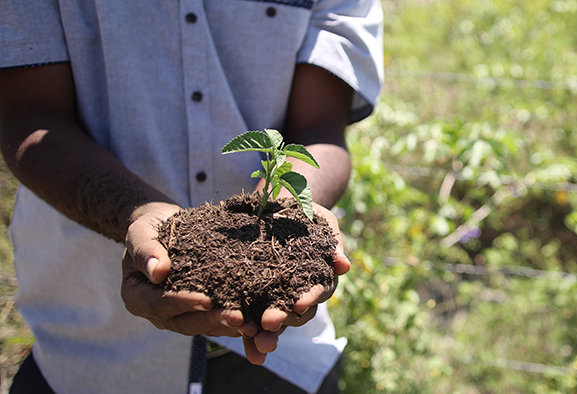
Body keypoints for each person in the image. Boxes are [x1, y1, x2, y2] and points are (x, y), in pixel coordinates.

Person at [0, 0, 383, 393]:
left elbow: (320, 128)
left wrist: (284, 207)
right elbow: (29, 114)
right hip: (88, 344)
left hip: (286, 362)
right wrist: (138, 213)